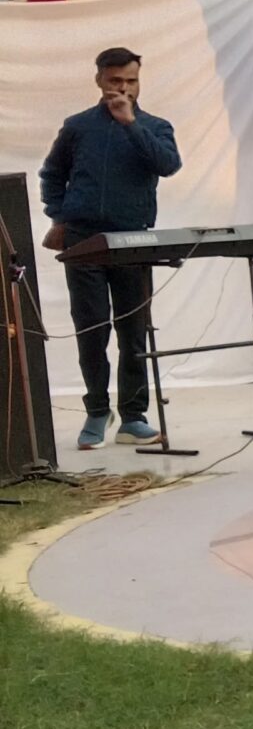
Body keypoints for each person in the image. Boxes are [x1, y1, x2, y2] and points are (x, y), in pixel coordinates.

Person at [40, 46, 179, 449]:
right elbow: (52, 174)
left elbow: (168, 164)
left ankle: (133, 416)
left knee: (133, 331)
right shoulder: (78, 127)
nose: (123, 88)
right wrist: (59, 215)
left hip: (133, 240)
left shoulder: (155, 126)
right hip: (84, 240)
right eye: (115, 80)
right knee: (91, 329)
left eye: (131, 81)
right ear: (99, 79)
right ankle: (98, 411)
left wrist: (131, 124)